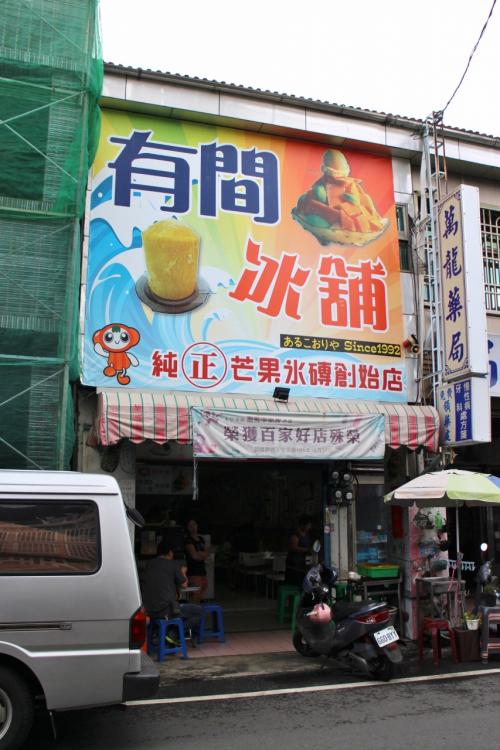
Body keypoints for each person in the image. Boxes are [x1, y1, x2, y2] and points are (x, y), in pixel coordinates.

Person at [141, 540, 202, 643]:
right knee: (199, 611)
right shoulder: (172, 564)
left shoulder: (149, 564)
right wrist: (183, 571)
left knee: (180, 610)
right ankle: (172, 633)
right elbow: (184, 584)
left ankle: (160, 633)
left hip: (149, 610)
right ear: (170, 552)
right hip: (166, 610)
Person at [184, 519, 209, 603]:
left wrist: (200, 554)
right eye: (190, 525)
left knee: (203, 589)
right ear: (188, 528)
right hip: (193, 571)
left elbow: (207, 553)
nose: (193, 527)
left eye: (194, 524)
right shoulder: (188, 540)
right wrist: (202, 554)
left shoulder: (201, 539)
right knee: (195, 593)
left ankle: (197, 608)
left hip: (202, 570)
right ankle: (193, 609)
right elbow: (194, 556)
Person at [285, 514, 313, 586]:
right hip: (295, 563)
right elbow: (294, 547)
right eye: (308, 525)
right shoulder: (295, 534)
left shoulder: (307, 534)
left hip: (303, 563)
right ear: (303, 525)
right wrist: (307, 550)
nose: (309, 527)